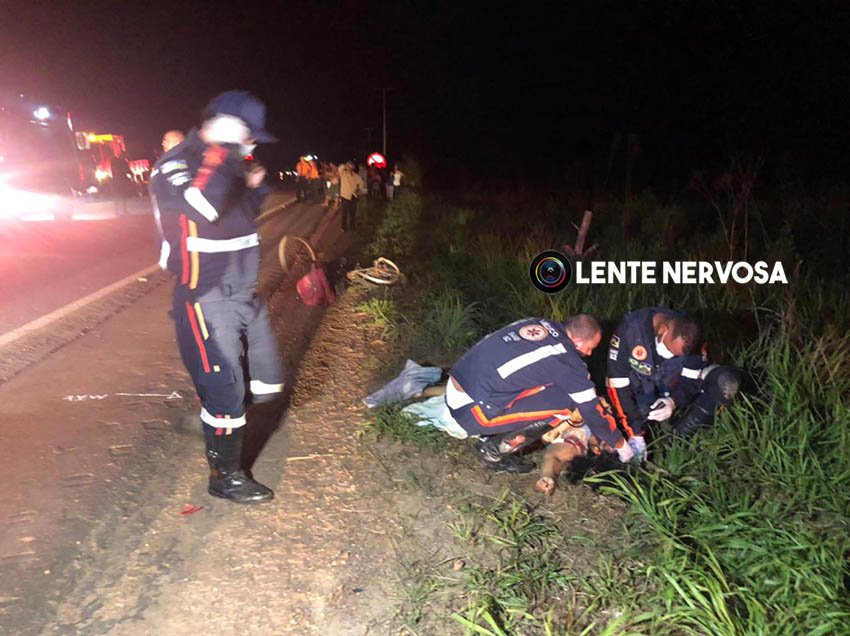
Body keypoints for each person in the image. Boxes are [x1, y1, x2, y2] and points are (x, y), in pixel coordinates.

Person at [149, 90, 285, 504]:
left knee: (267, 384)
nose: (254, 143)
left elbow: (239, 215)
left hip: (243, 291)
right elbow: (202, 208)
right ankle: (224, 476)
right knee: (227, 388)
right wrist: (225, 153)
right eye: (249, 134)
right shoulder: (179, 165)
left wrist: (255, 187)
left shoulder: (227, 164)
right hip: (205, 296)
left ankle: (211, 412)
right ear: (224, 126)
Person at [446, 315, 635, 474]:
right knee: (568, 404)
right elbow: (592, 411)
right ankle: (492, 451)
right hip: (472, 410)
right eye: (590, 348)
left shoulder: (538, 323)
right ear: (577, 342)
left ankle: (492, 434)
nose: (590, 353)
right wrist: (621, 446)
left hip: (457, 384)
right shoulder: (566, 360)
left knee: (555, 388)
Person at [606, 308, 741, 458]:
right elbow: (616, 385)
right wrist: (634, 434)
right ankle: (646, 434)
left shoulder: (692, 338)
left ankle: (676, 441)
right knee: (634, 415)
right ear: (662, 330)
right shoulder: (630, 329)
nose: (668, 356)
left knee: (726, 382)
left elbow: (691, 381)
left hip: (673, 390)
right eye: (668, 351)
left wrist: (672, 401)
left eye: (675, 355)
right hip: (642, 393)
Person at [338, 161, 364, 231]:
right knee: (344, 213)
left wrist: (358, 190)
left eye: (351, 166)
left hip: (354, 196)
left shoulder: (356, 176)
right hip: (345, 196)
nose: (350, 168)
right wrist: (345, 165)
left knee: (353, 213)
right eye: (348, 166)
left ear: (353, 167)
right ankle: (343, 227)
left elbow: (361, 183)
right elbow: (340, 168)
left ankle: (352, 226)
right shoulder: (343, 174)